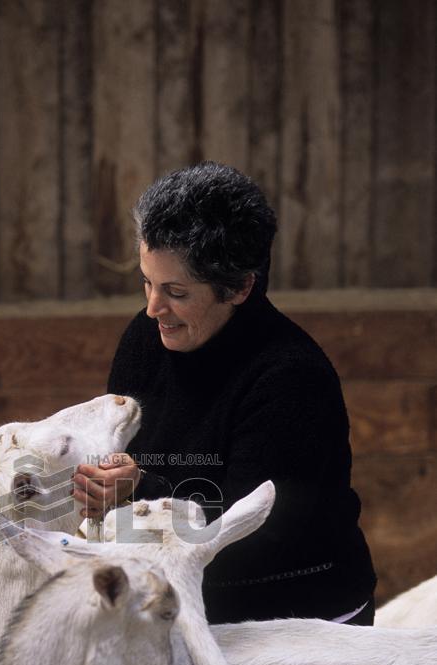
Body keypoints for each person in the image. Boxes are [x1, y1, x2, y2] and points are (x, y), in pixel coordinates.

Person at [73, 161, 376, 626]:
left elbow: (252, 532)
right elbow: (120, 455)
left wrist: (138, 492)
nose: (154, 308)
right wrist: (101, 488)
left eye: (175, 291)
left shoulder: (292, 379)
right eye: (147, 283)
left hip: (300, 617)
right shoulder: (144, 337)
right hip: (185, 598)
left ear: (239, 287)